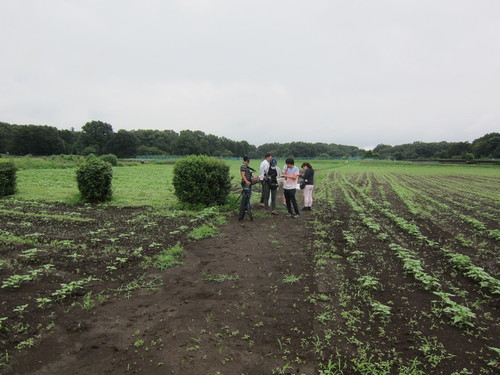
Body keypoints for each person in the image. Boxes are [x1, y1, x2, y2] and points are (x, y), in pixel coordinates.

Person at [238, 156, 257, 222]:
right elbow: (243, 175)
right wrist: (246, 181)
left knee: (248, 196)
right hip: (246, 184)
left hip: (249, 183)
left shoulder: (246, 166)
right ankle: (242, 214)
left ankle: (246, 209)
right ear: (247, 160)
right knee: (245, 197)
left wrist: (253, 178)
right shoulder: (243, 166)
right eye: (249, 160)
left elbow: (248, 174)